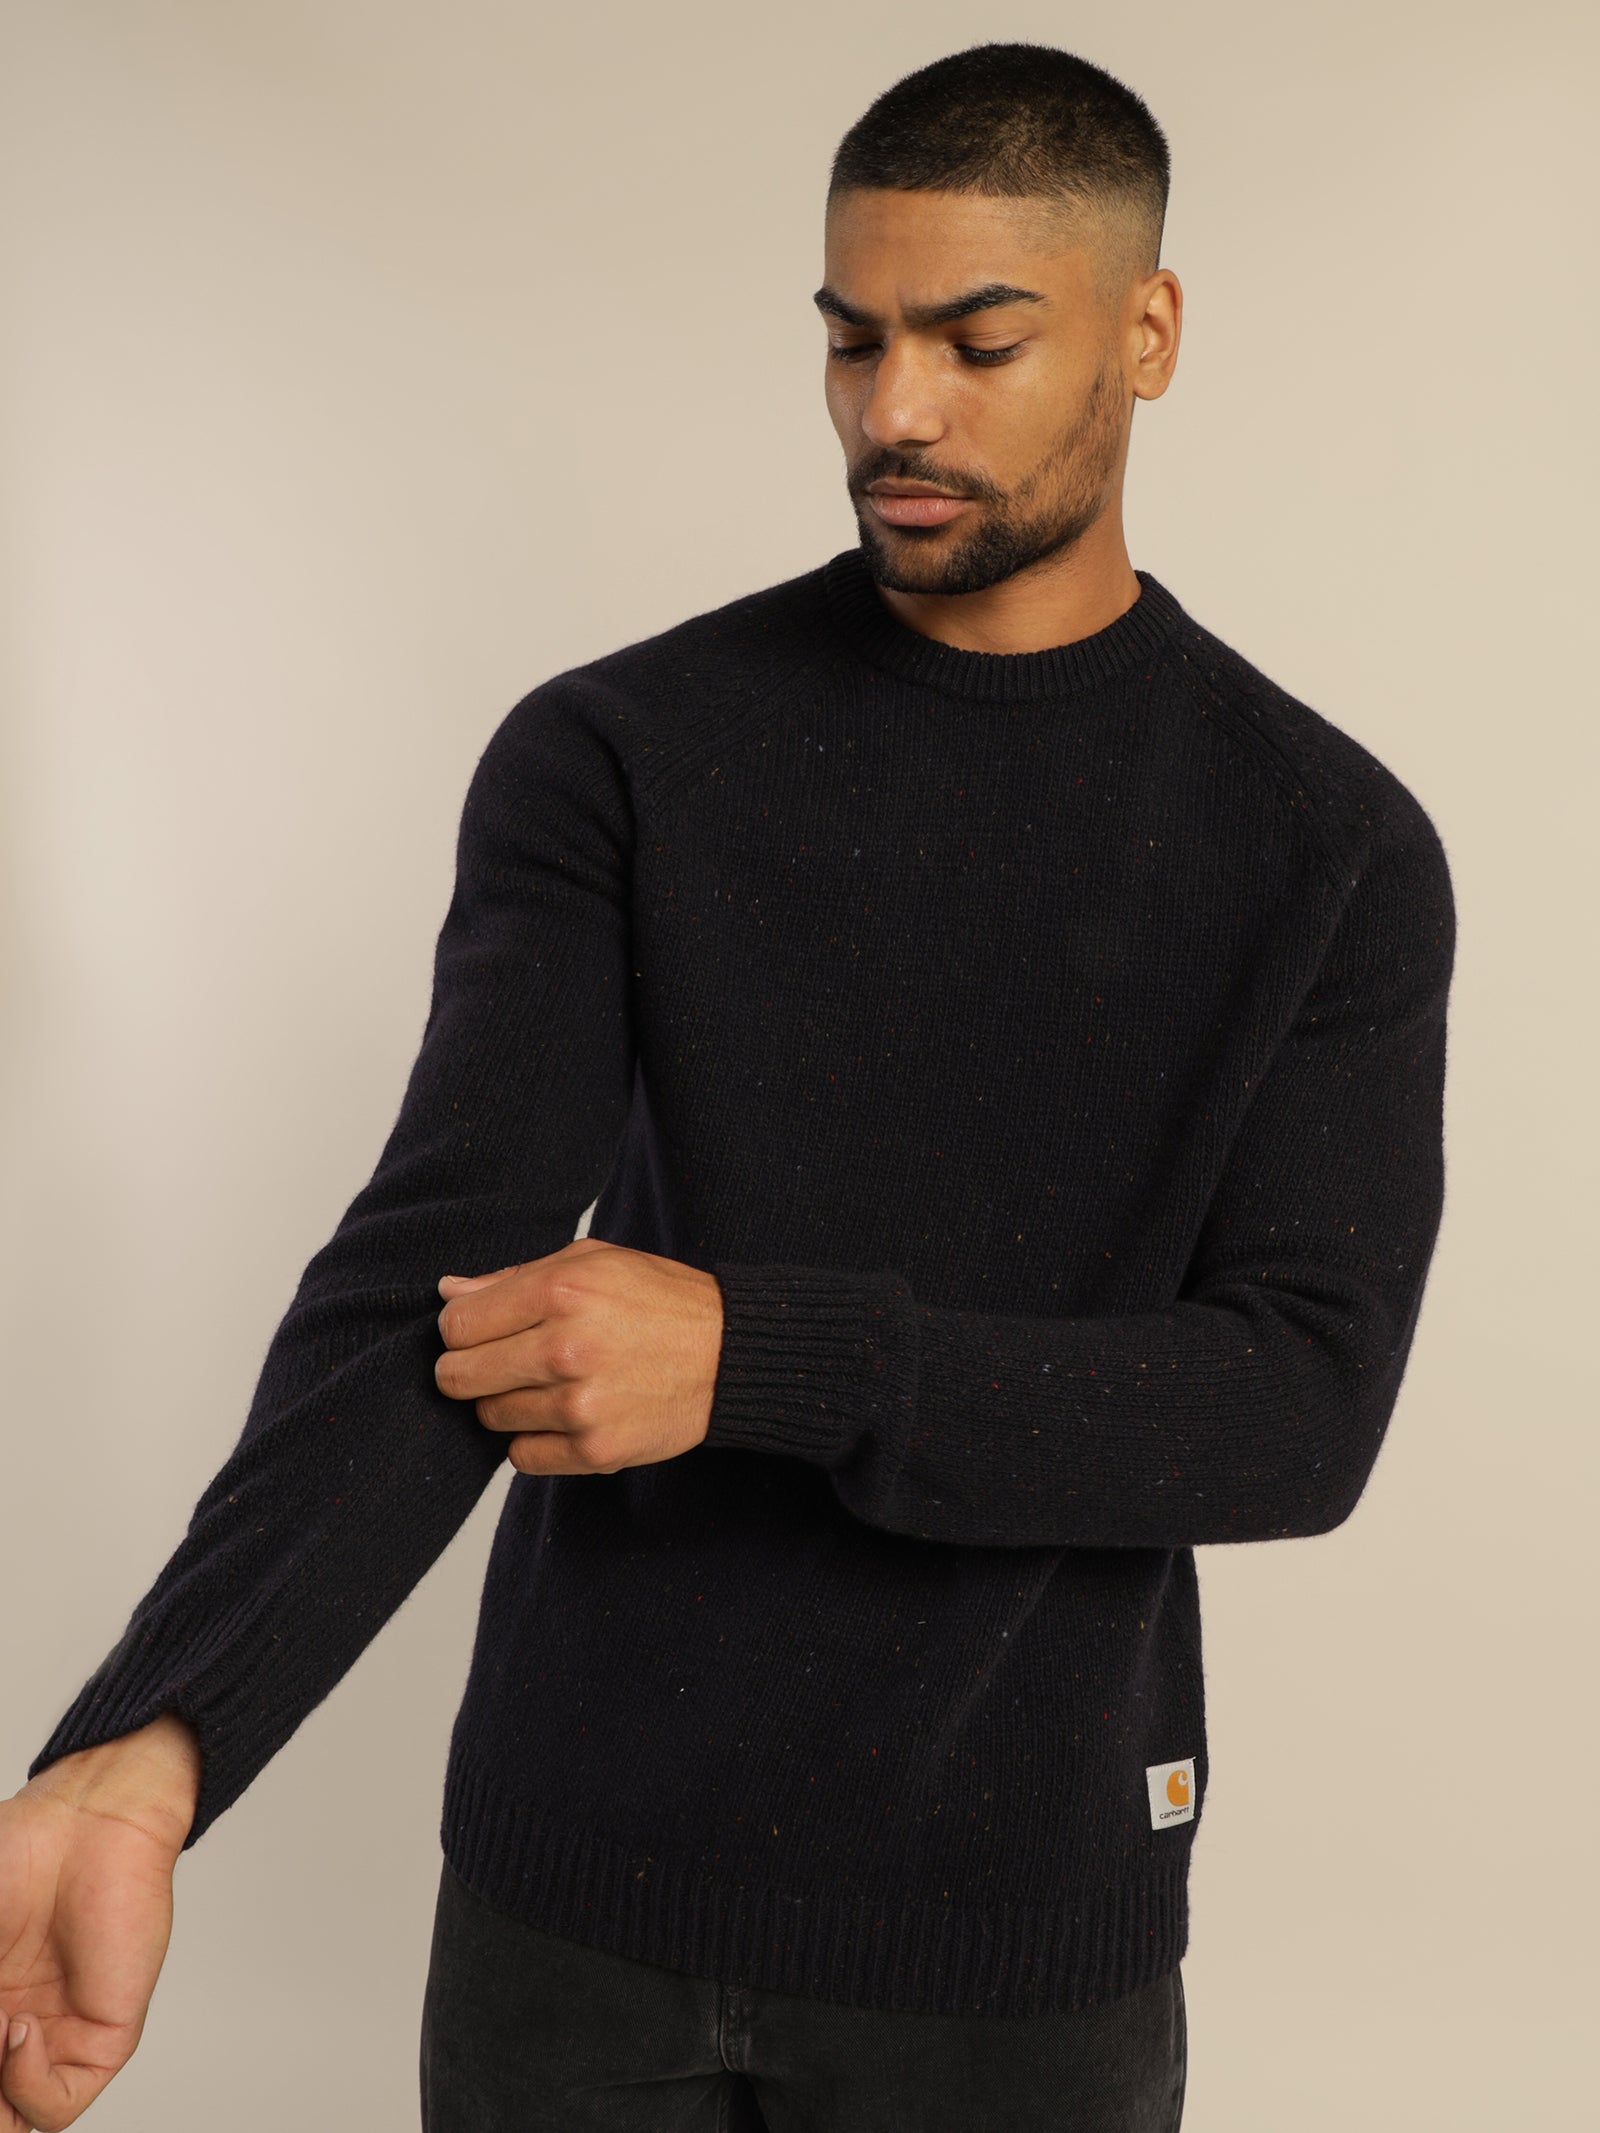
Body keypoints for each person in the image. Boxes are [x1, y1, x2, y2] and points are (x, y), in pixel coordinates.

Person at [1, 38, 1456, 2133]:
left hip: (1017, 1928)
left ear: (1145, 333)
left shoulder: (1324, 842)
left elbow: (1297, 1407)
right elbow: (433, 1287)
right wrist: (151, 1743)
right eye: (852, 339)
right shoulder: (621, 753)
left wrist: (761, 1355)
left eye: (975, 341)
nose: (894, 411)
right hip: (571, 1915)